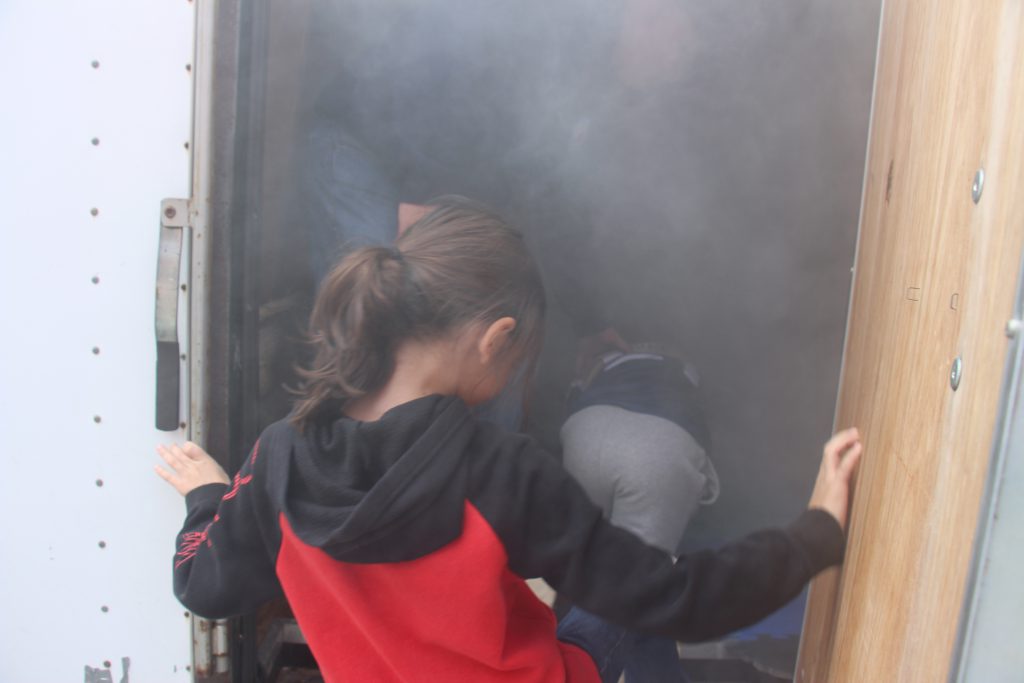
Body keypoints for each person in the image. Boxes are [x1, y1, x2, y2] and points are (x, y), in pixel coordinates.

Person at [156, 197, 862, 683]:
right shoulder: (499, 471)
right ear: (497, 339)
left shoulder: (277, 461)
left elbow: (201, 580)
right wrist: (815, 533)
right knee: (640, 584)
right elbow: (680, 597)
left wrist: (210, 496)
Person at [560, 340, 718, 682]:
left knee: (604, 575)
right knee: (637, 587)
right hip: (659, 445)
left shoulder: (605, 360)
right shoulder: (682, 366)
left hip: (586, 431)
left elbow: (574, 390)